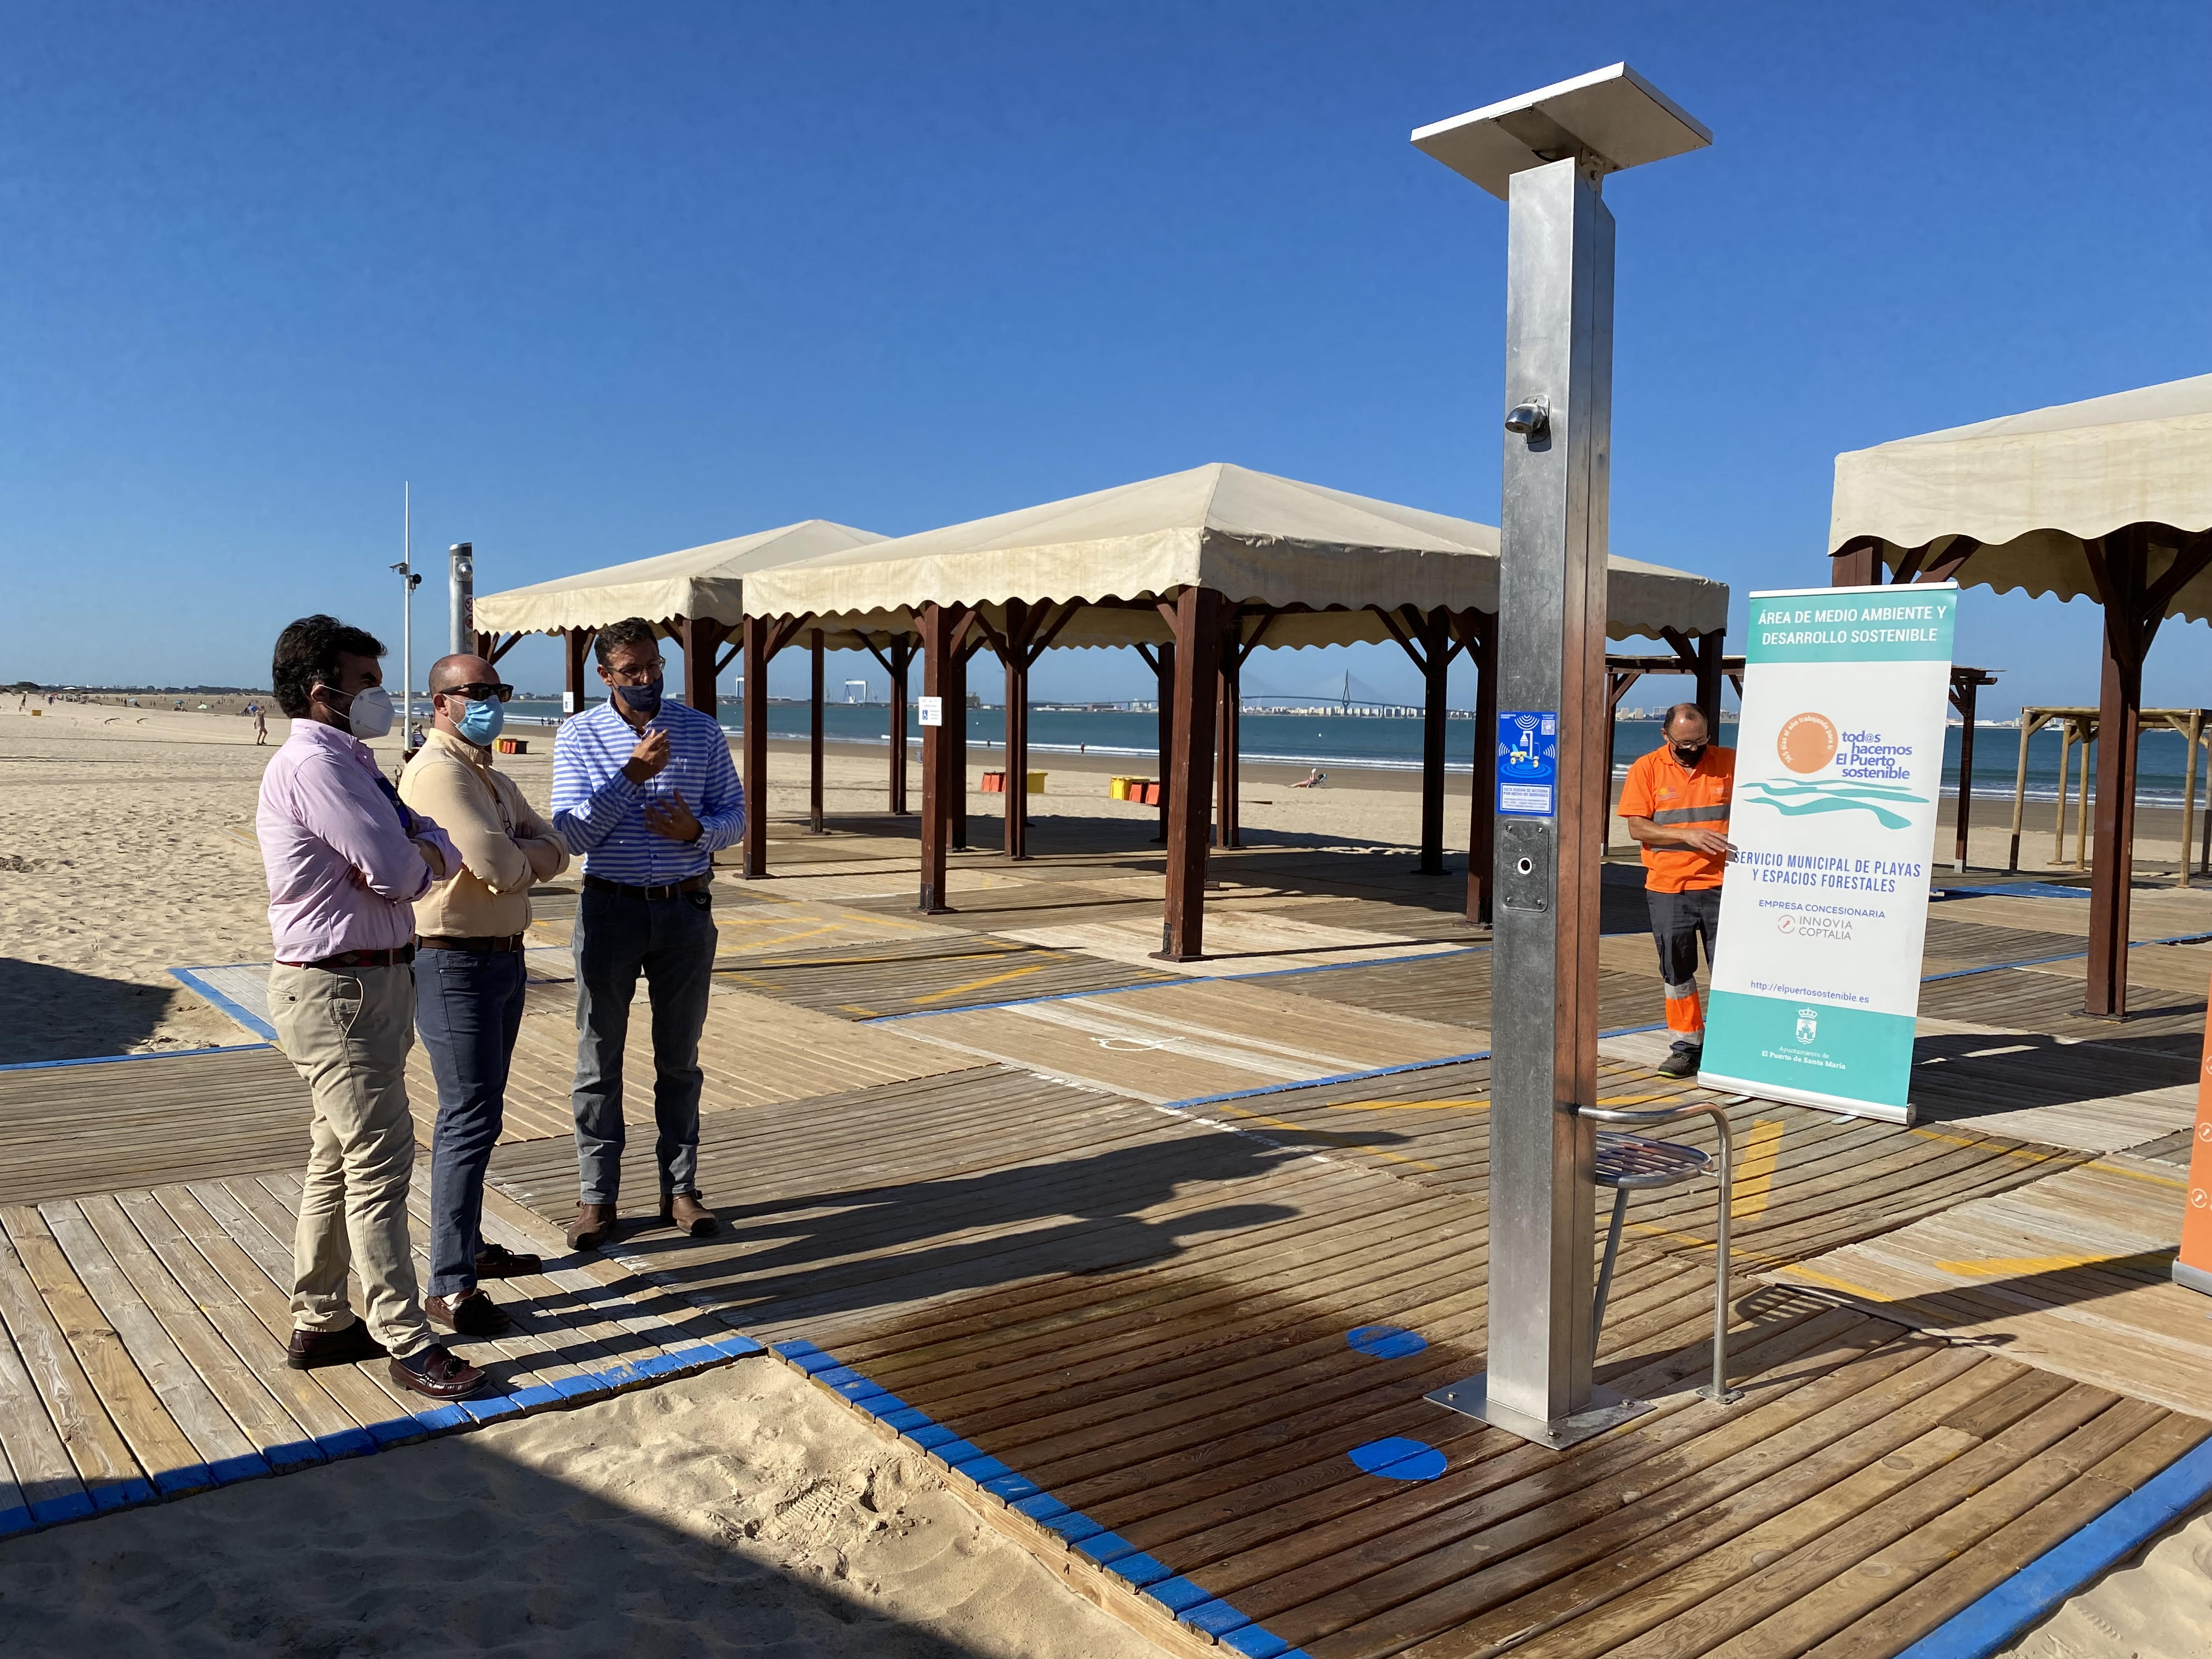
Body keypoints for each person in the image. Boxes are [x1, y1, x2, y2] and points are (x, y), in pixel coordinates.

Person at [257, 614, 488, 1402]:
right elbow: (401, 867)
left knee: (338, 1154)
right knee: (381, 1162)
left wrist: (420, 854)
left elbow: (425, 839)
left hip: (371, 981)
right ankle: (405, 1336)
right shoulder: (316, 767)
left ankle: (321, 1317)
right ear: (324, 693)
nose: (381, 696)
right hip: (339, 989)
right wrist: (418, 859)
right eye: (368, 682)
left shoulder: (353, 763)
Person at [551, 617, 744, 1251]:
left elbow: (735, 815)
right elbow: (573, 834)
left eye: (654, 666)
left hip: (686, 910)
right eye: (631, 671)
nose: (646, 680)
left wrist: (698, 833)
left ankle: (680, 1189)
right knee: (598, 1057)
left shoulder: (701, 729)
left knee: (679, 1058)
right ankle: (597, 1196)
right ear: (604, 675)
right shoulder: (579, 735)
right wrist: (630, 777)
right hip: (610, 909)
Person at [398, 654, 569, 1335]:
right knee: (466, 1117)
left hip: (501, 958)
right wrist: (530, 854)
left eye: (499, 691)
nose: (493, 701)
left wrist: (534, 851)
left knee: (482, 1115)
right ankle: (449, 1284)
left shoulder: (487, 775)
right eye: (479, 692)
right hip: (453, 962)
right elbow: (501, 867)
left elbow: (554, 842)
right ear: (442, 702)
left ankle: (464, 1246)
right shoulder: (440, 773)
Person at [1618, 702, 1738, 1077]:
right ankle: (1686, 1047)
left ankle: (1730, 1046)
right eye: (1684, 743)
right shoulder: (1647, 768)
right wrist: (1686, 836)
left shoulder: (1731, 762)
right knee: (1677, 973)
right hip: (1670, 888)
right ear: (1665, 736)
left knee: (1731, 971)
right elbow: (1638, 828)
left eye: (1700, 740)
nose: (1693, 749)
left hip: (1725, 885)